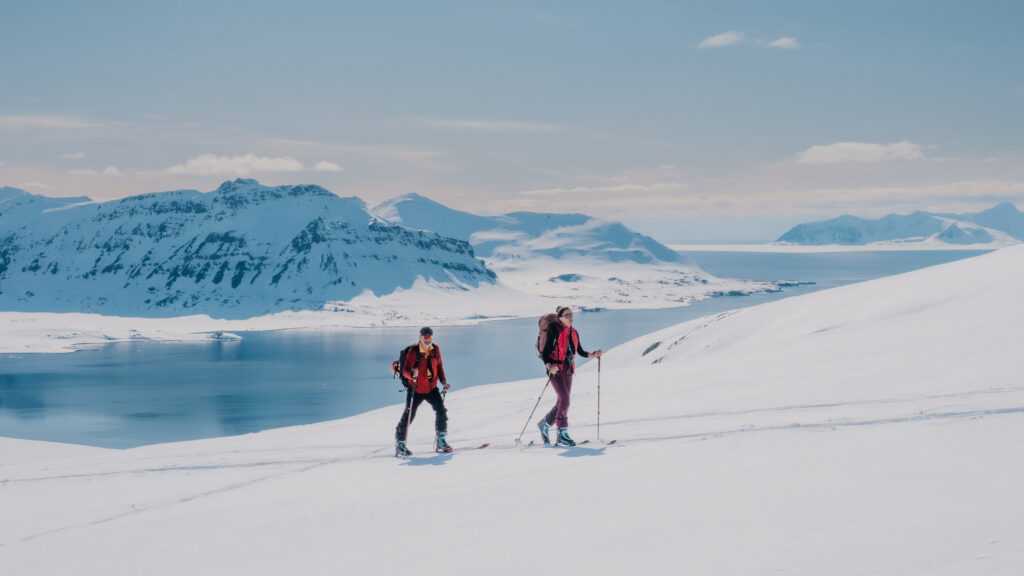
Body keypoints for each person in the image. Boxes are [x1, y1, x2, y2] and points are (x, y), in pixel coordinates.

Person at [538, 306, 602, 446]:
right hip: (555, 370)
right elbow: (545, 353)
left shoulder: (573, 332)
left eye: (571, 314)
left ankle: (544, 424)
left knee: (561, 401)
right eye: (567, 315)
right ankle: (562, 433)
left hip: (568, 370)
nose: (570, 317)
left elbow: (580, 351)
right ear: (560, 318)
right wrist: (549, 366)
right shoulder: (555, 331)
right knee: (565, 400)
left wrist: (592, 355)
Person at [395, 326, 451, 457]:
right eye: (425, 337)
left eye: (429, 336)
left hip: (432, 388)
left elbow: (439, 366)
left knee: (441, 411)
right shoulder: (413, 351)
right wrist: (411, 375)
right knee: (409, 415)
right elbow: (405, 370)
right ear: (420, 337)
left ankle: (441, 441)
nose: (427, 339)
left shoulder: (435, 349)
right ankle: (400, 444)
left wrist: (443, 382)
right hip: (416, 389)